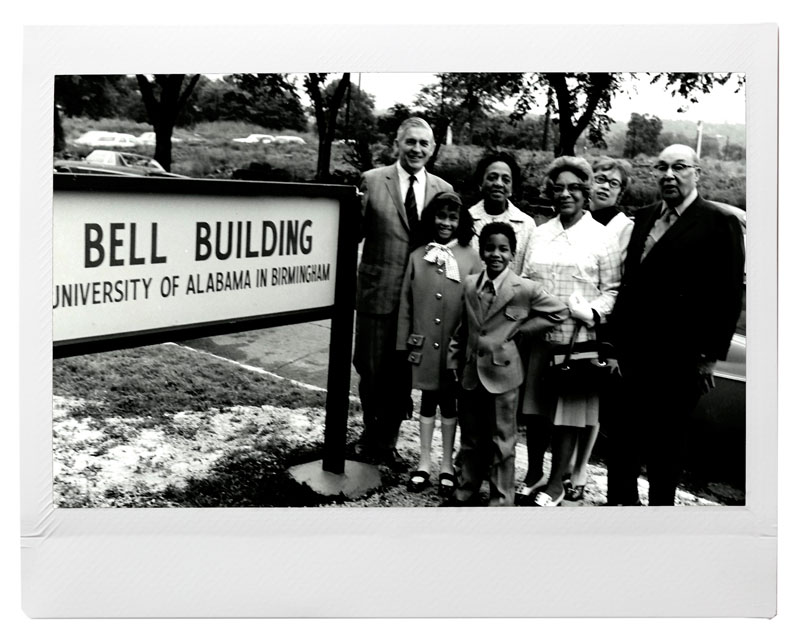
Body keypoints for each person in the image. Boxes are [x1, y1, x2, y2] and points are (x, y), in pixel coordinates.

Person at [608, 144, 745, 506]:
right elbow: (629, 285)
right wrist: (614, 345)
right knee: (623, 443)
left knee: (664, 450)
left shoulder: (719, 223)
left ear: (697, 173)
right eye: (662, 167)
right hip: (633, 355)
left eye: (679, 167)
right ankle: (619, 515)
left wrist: (709, 357)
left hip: (680, 361)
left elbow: (728, 296)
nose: (669, 175)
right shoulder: (644, 216)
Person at [519, 156, 621, 506]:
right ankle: (533, 473)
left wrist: (591, 311)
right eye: (559, 187)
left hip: (578, 341)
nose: (566, 194)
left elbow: (613, 290)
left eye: (574, 188)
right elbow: (524, 281)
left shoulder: (602, 237)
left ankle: (557, 483)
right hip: (539, 337)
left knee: (568, 415)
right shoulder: (539, 232)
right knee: (536, 412)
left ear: (586, 192)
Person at [353, 117, 454, 467]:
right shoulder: (371, 180)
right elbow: (353, 233)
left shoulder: (442, 189)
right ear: (397, 144)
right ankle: (371, 432)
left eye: (424, 144)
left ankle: (386, 442)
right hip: (376, 295)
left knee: (401, 375)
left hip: (418, 302)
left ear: (433, 149)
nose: (417, 149)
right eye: (411, 142)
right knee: (369, 369)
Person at [445, 222, 568, 506]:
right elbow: (462, 329)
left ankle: (501, 499)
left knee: (502, 441)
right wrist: (454, 360)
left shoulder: (523, 288)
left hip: (504, 377)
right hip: (471, 374)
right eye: (490, 248)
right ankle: (466, 490)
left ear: (512, 253)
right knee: (472, 437)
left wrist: (523, 330)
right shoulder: (470, 284)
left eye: (503, 249)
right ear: (481, 250)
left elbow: (558, 312)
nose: (496, 254)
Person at [396, 192, 482, 496]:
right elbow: (406, 304)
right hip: (423, 346)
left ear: (461, 222)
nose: (446, 223)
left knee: (449, 403)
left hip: (454, 349)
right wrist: (404, 344)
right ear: (432, 218)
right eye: (441, 216)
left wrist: (470, 347)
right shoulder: (418, 256)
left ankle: (447, 464)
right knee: (427, 401)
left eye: (452, 217)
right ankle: (423, 463)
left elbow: (477, 305)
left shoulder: (471, 258)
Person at [560, 157, 633, 502]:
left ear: (621, 191)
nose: (603, 186)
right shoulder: (578, 220)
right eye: (599, 179)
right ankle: (565, 465)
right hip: (573, 318)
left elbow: (615, 281)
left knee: (591, 398)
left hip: (603, 321)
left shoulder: (623, 227)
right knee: (571, 392)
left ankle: (580, 468)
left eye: (613, 182)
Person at [468, 152, 537, 274]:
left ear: (512, 188)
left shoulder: (527, 225)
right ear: (480, 183)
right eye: (492, 177)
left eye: (505, 180)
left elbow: (528, 271)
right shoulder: (466, 220)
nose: (498, 184)